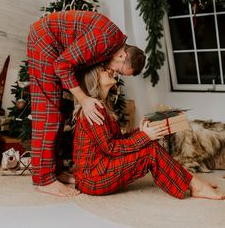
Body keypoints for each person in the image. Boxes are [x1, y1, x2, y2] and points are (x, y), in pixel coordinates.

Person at [27, 10, 146, 197]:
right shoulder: (106, 39)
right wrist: (84, 100)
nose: (116, 74)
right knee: (49, 111)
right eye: (121, 72)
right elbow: (62, 65)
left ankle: (55, 171)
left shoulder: (110, 46)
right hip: (44, 40)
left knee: (61, 111)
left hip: (54, 45)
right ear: (122, 56)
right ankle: (44, 180)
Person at [73, 65, 225, 200]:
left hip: (99, 170)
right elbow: (112, 148)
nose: (111, 70)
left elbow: (116, 141)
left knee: (149, 143)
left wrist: (141, 131)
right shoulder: (94, 110)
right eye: (104, 70)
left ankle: (191, 181)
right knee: (150, 151)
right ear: (94, 80)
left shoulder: (103, 106)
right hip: (93, 178)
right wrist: (144, 136)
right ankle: (195, 185)